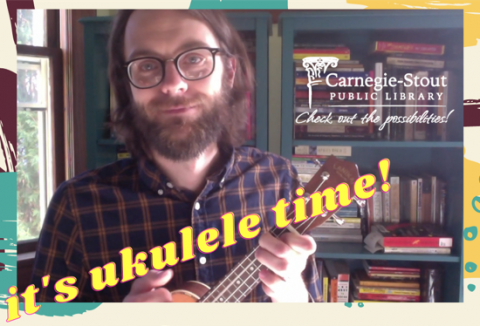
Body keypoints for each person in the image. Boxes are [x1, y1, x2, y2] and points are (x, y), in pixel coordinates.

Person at [31, 9, 321, 303]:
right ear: (127, 87)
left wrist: (294, 299)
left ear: (230, 73)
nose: (172, 84)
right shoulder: (76, 206)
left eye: (194, 59)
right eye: (146, 65)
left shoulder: (281, 180)